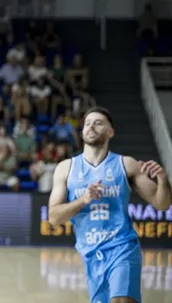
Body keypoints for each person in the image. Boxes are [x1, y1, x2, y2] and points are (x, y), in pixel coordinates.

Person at [48, 107, 172, 303]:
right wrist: (83, 199)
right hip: (90, 253)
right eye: (87, 123)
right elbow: (54, 217)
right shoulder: (65, 168)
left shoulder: (127, 164)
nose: (91, 126)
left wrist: (163, 180)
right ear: (82, 132)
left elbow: (162, 203)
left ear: (110, 132)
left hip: (122, 247)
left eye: (98, 123)